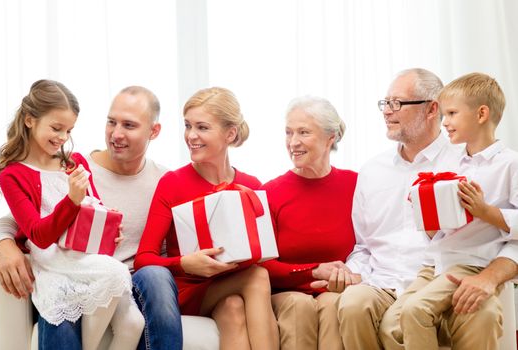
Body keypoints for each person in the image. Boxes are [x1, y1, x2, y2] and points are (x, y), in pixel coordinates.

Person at [0, 85, 183, 350]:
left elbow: (96, 208)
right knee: (82, 293)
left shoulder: (163, 180)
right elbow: (25, 225)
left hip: (104, 264)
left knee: (136, 316)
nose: (116, 134)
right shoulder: (45, 169)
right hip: (60, 263)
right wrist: (0, 243)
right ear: (29, 121)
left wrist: (109, 227)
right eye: (111, 122)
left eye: (129, 125)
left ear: (153, 131)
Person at [134, 86, 280, 350]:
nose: (191, 135)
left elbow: (266, 257)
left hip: (230, 289)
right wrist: (185, 264)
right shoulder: (173, 183)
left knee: (233, 308)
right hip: (189, 289)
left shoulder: (251, 186)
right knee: (257, 277)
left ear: (230, 133)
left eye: (202, 127)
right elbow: (144, 258)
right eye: (187, 126)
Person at [381, 72, 518, 350]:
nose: (445, 123)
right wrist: (427, 209)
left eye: (452, 114)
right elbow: (441, 229)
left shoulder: (509, 163)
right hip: (438, 262)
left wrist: (484, 210)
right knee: (392, 327)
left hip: (471, 263)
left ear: (481, 114)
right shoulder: (452, 161)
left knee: (415, 312)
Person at [333, 68, 464, 350]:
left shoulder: (462, 162)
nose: (387, 111)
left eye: (397, 103)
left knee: (402, 322)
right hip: (381, 282)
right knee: (353, 304)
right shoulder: (371, 171)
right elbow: (363, 245)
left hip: (435, 282)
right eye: (385, 103)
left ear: (431, 109)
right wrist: (355, 272)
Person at [260, 96, 357, 350]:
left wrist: (349, 277)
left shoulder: (355, 185)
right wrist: (314, 271)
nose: (293, 142)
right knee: (298, 305)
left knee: (333, 303)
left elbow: (374, 246)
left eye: (304, 132)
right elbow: (262, 266)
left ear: (330, 138)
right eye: (289, 132)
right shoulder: (270, 192)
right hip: (288, 294)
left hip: (336, 291)